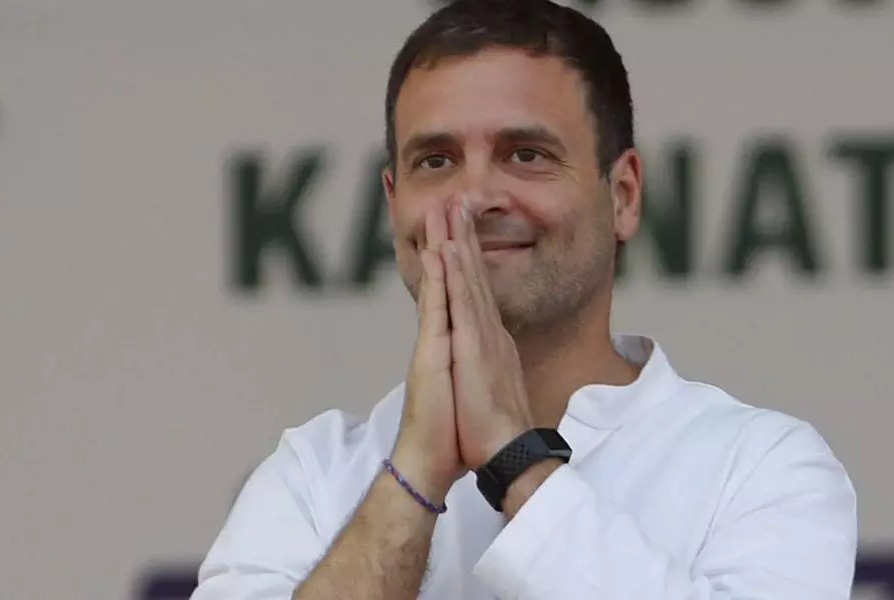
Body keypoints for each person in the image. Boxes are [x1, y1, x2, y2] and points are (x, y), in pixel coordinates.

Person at [190, 1, 858, 598]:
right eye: (436, 161)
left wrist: (514, 457)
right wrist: (415, 470)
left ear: (623, 195)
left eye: (527, 154)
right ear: (394, 205)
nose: (476, 197)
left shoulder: (759, 467)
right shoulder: (312, 475)